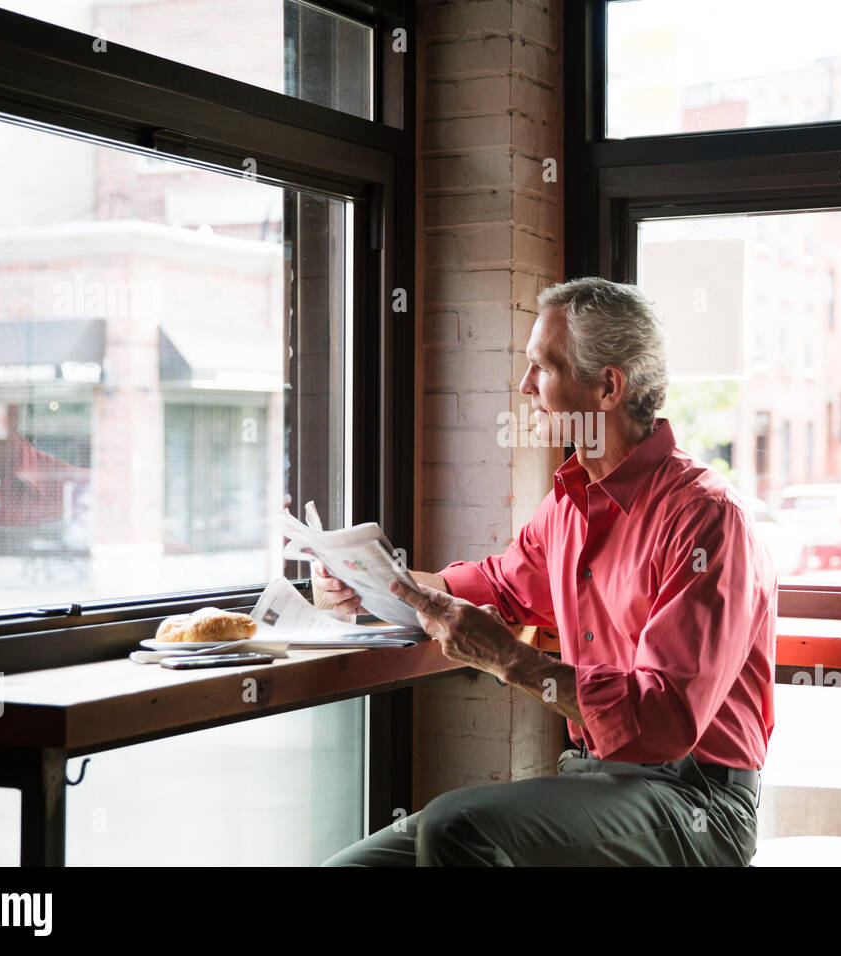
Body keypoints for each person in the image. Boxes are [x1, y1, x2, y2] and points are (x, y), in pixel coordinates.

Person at [318, 277, 776, 866]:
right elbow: (497, 585)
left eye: (542, 367)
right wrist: (369, 585)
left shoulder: (706, 518)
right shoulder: (569, 505)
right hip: (593, 779)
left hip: (695, 803)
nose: (524, 386)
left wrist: (511, 659)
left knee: (458, 828)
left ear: (608, 386)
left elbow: (665, 721)